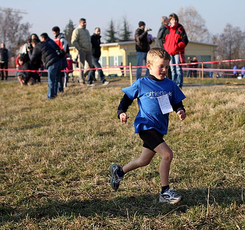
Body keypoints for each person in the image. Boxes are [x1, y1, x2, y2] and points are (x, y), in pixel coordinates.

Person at [109, 48, 186, 205]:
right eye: (161, 66)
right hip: (146, 126)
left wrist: (180, 109)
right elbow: (126, 99)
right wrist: (121, 112)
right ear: (149, 65)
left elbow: (177, 101)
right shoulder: (141, 84)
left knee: (144, 161)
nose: (164, 70)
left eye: (167, 67)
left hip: (159, 128)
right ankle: (165, 192)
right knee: (167, 155)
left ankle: (119, 171)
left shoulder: (170, 84)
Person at [29, 33, 62, 99]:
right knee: (55, 80)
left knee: (51, 81)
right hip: (58, 61)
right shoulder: (45, 43)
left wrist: (30, 51)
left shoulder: (37, 47)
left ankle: (50, 97)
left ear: (33, 43)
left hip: (51, 63)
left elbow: (32, 58)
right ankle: (55, 94)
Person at [164, 13, 189, 88]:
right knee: (172, 69)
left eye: (175, 20)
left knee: (178, 68)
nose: (174, 21)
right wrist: (166, 47)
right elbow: (163, 40)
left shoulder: (180, 28)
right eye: (172, 20)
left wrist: (177, 46)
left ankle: (179, 84)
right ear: (170, 21)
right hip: (169, 52)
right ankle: (173, 84)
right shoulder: (167, 29)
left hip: (177, 52)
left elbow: (185, 40)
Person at [71, 18, 94, 86]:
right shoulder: (77, 31)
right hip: (82, 50)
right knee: (81, 66)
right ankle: (81, 81)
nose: (85, 24)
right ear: (80, 23)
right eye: (83, 22)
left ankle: (81, 76)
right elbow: (73, 41)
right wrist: (79, 49)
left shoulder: (87, 31)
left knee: (91, 66)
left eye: (85, 22)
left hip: (88, 50)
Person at [52, 26, 69, 92]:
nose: (53, 34)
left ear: (57, 32)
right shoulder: (55, 39)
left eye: (54, 33)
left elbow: (63, 49)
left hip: (62, 58)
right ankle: (59, 89)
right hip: (57, 58)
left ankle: (62, 88)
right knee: (57, 74)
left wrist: (60, 54)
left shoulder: (62, 39)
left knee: (62, 74)